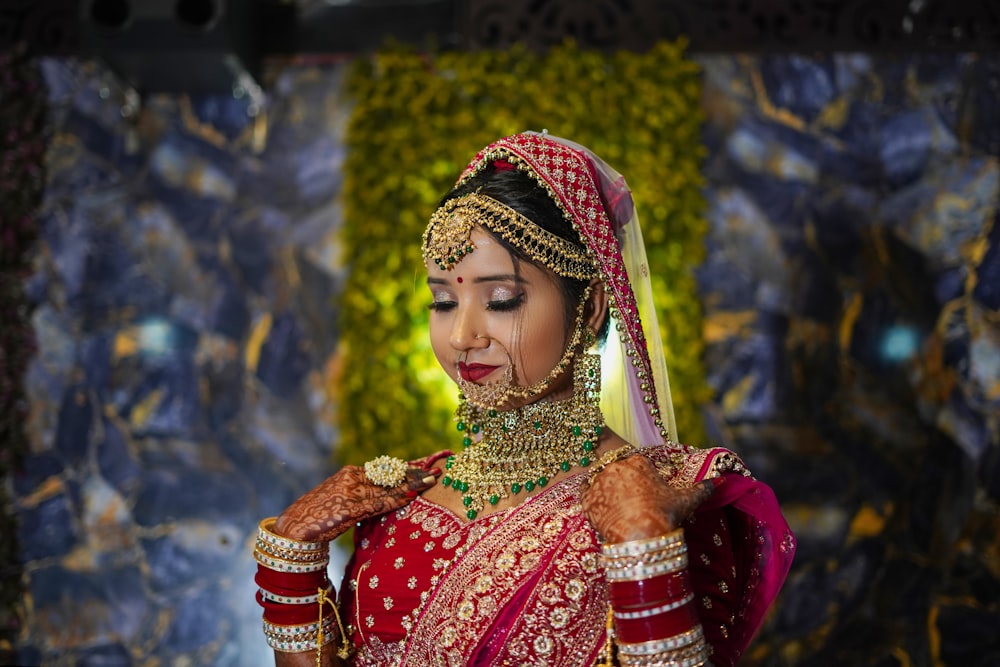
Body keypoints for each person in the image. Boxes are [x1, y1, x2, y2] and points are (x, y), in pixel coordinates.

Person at [252, 132, 796, 666]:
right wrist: (294, 554)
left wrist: (641, 543)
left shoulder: (668, 497)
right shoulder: (397, 502)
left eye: (502, 299)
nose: (463, 334)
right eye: (443, 301)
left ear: (589, 310)